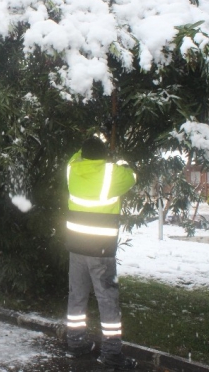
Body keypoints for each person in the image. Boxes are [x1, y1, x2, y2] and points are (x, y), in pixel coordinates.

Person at [64, 135, 137, 370]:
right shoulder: (112, 173)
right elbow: (132, 176)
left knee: (77, 295)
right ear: (104, 156)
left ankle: (75, 343)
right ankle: (111, 353)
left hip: (76, 246)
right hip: (101, 249)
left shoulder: (72, 169)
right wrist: (119, 160)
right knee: (107, 300)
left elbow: (77, 155)